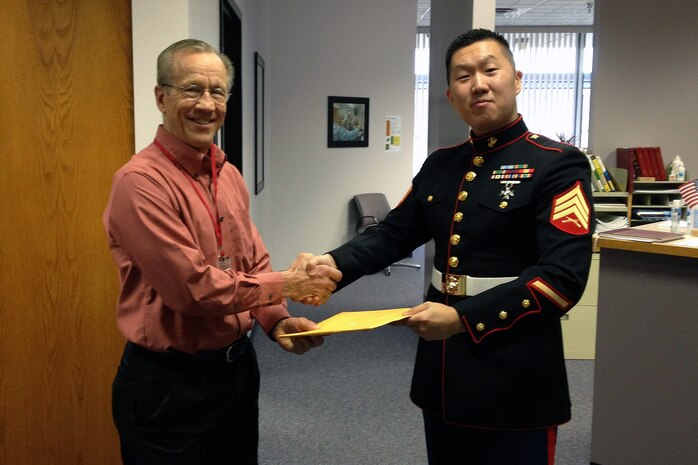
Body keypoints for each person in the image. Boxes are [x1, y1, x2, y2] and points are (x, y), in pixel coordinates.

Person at [309, 29, 594, 465]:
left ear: (517, 79)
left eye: (489, 70)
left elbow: (561, 280)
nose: (477, 83)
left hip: (515, 364)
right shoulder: (441, 164)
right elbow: (393, 234)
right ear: (450, 94)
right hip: (443, 369)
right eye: (463, 76)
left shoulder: (557, 164)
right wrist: (330, 264)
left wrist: (462, 319)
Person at [102, 39, 340, 465]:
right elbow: (192, 291)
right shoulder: (139, 183)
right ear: (161, 97)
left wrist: (276, 318)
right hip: (168, 387)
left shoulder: (228, 173)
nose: (207, 105)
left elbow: (254, 260)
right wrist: (289, 283)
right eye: (192, 89)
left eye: (218, 92)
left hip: (236, 371)